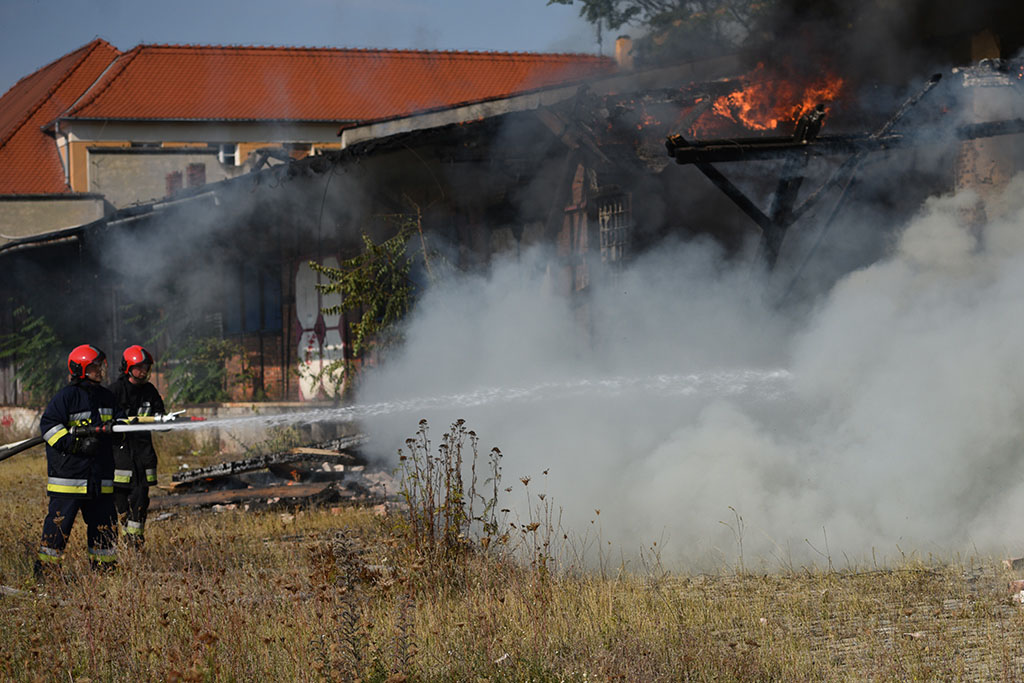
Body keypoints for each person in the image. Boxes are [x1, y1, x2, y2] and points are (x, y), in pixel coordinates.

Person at [36, 344, 122, 576]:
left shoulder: (107, 396)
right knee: (58, 526)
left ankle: (105, 572)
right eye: (95, 367)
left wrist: (121, 430)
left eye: (100, 366)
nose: (100, 371)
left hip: (100, 477)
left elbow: (120, 422)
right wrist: (75, 444)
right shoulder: (66, 397)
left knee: (105, 526)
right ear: (80, 369)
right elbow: (49, 427)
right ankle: (46, 573)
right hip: (69, 477)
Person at [108, 345, 165, 547]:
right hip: (120, 453)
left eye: (146, 367)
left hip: (143, 454)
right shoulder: (114, 391)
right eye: (139, 367)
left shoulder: (150, 391)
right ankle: (120, 530)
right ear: (128, 368)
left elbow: (159, 414)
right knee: (120, 499)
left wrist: (165, 421)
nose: (143, 371)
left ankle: (135, 541)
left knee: (140, 498)